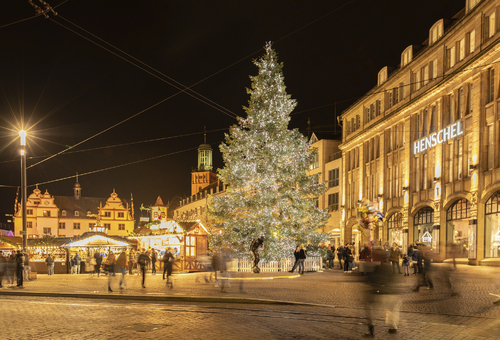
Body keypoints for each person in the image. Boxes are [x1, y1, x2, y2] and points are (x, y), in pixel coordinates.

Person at [364, 254, 400, 337]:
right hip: (390, 293)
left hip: (378, 293)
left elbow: (371, 279)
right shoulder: (390, 268)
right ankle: (393, 327)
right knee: (393, 308)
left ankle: (371, 330)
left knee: (370, 308)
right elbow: (393, 279)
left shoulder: (376, 268)